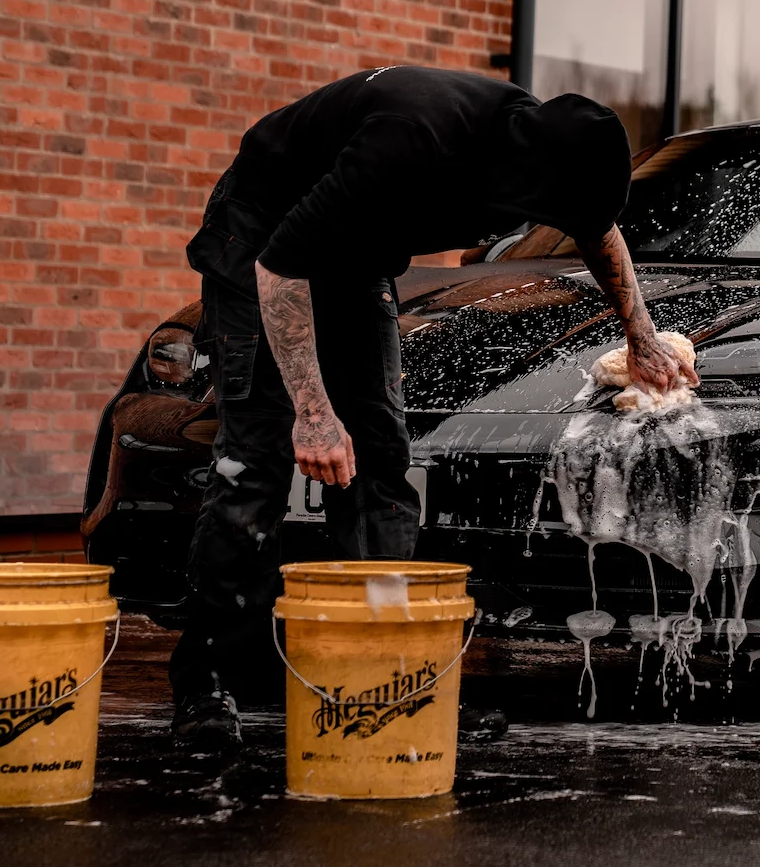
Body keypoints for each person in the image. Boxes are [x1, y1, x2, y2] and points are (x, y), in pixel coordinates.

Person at [170, 66, 697, 750]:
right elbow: (281, 267)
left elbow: (598, 232)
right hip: (263, 240)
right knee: (259, 458)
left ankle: (386, 670)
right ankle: (208, 675)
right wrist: (314, 411)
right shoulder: (413, 139)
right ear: (524, 174)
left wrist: (642, 334)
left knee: (382, 461)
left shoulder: (554, 145)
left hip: (353, 252)